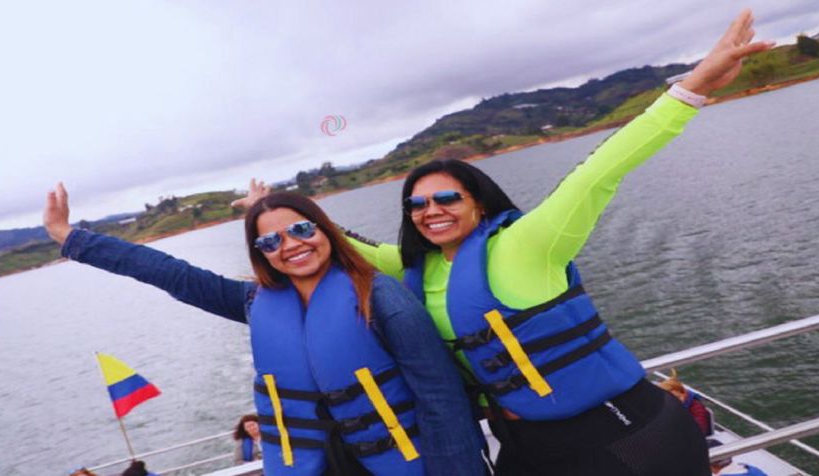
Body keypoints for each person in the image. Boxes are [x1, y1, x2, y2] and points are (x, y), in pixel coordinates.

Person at [237, 9, 774, 476]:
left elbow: (601, 171)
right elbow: (323, 241)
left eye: (447, 198)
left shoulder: (528, 243)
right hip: (529, 446)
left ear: (478, 202)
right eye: (418, 205)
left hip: (623, 435)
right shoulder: (411, 269)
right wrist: (268, 209)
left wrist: (692, 87)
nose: (432, 211)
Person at [44, 191, 487, 476]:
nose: (290, 245)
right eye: (270, 242)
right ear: (260, 254)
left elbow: (441, 397)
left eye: (300, 230)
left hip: (396, 463)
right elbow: (170, 274)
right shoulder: (255, 303)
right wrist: (72, 239)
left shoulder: (381, 298)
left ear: (323, 229)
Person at [657, 369, 713, 436]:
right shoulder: (667, 406)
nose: (675, 401)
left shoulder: (696, 407)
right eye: (670, 399)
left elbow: (699, 430)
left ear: (683, 393)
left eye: (677, 397)